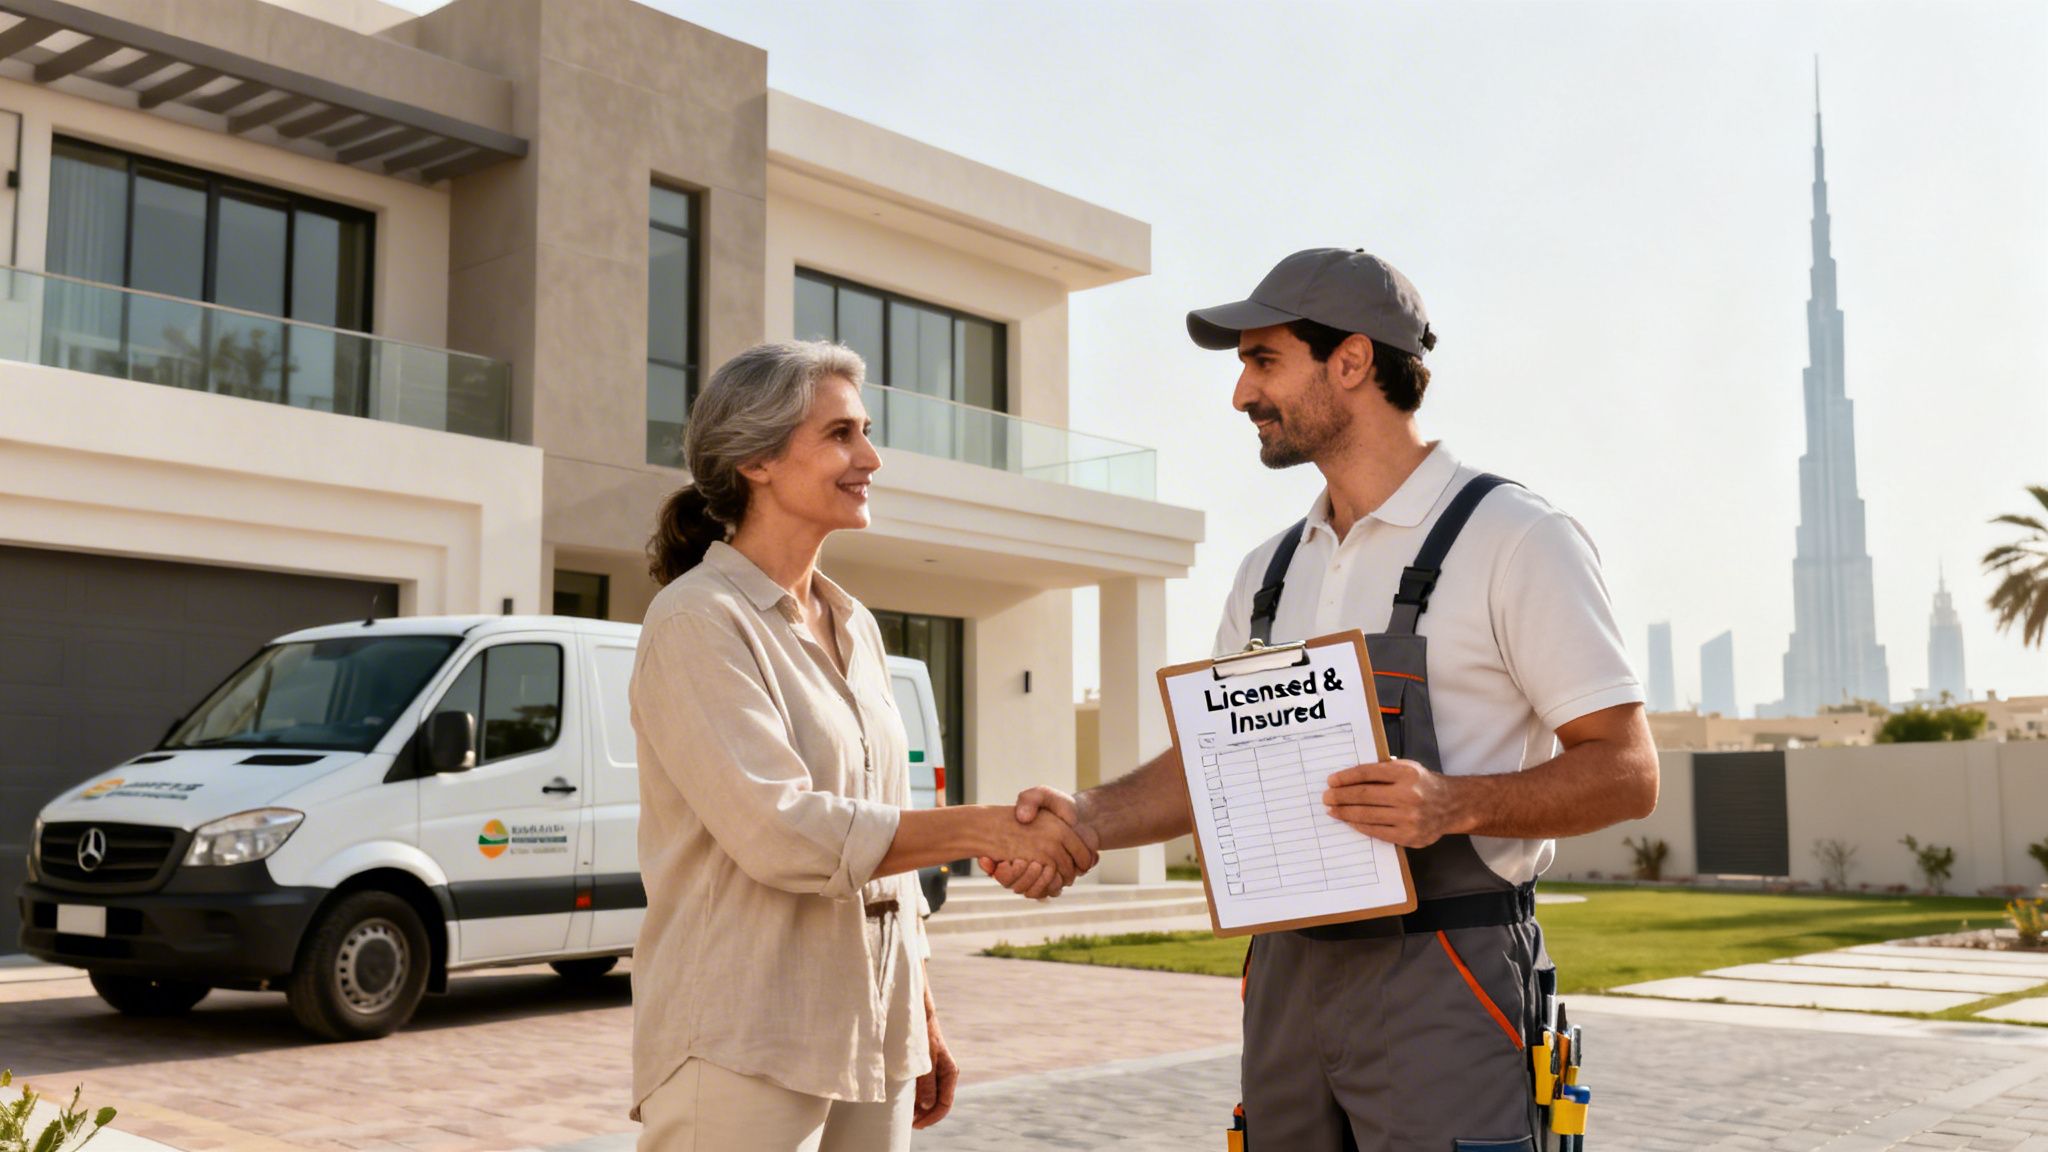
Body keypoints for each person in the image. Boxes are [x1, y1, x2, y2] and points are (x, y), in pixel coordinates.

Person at [985, 249, 1658, 1149]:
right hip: (1286, 980)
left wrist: (1456, 803)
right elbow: (1204, 768)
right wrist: (1088, 816)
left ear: (1350, 361)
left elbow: (1626, 770)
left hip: (1447, 973)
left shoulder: (1514, 538)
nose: (1239, 395)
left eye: (1263, 361)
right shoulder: (1268, 572)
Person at [630, 340, 1098, 1151]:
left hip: (874, 1033)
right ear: (757, 460)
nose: (871, 457)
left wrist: (921, 1012)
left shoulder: (857, 626)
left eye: (866, 432)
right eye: (842, 434)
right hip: (745, 1040)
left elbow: (886, 826)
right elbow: (782, 832)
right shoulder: (697, 621)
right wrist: (987, 828)